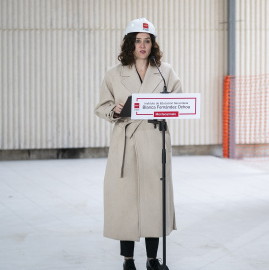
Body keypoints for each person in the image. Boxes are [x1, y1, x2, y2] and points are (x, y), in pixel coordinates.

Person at [95, 18, 182, 270]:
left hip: (155, 140)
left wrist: (164, 107)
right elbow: (101, 107)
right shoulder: (114, 73)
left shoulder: (165, 71)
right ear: (129, 44)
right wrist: (115, 110)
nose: (142, 46)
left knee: (155, 201)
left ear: (152, 44)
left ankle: (153, 260)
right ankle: (128, 260)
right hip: (126, 141)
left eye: (147, 41)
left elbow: (178, 100)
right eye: (137, 41)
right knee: (125, 202)